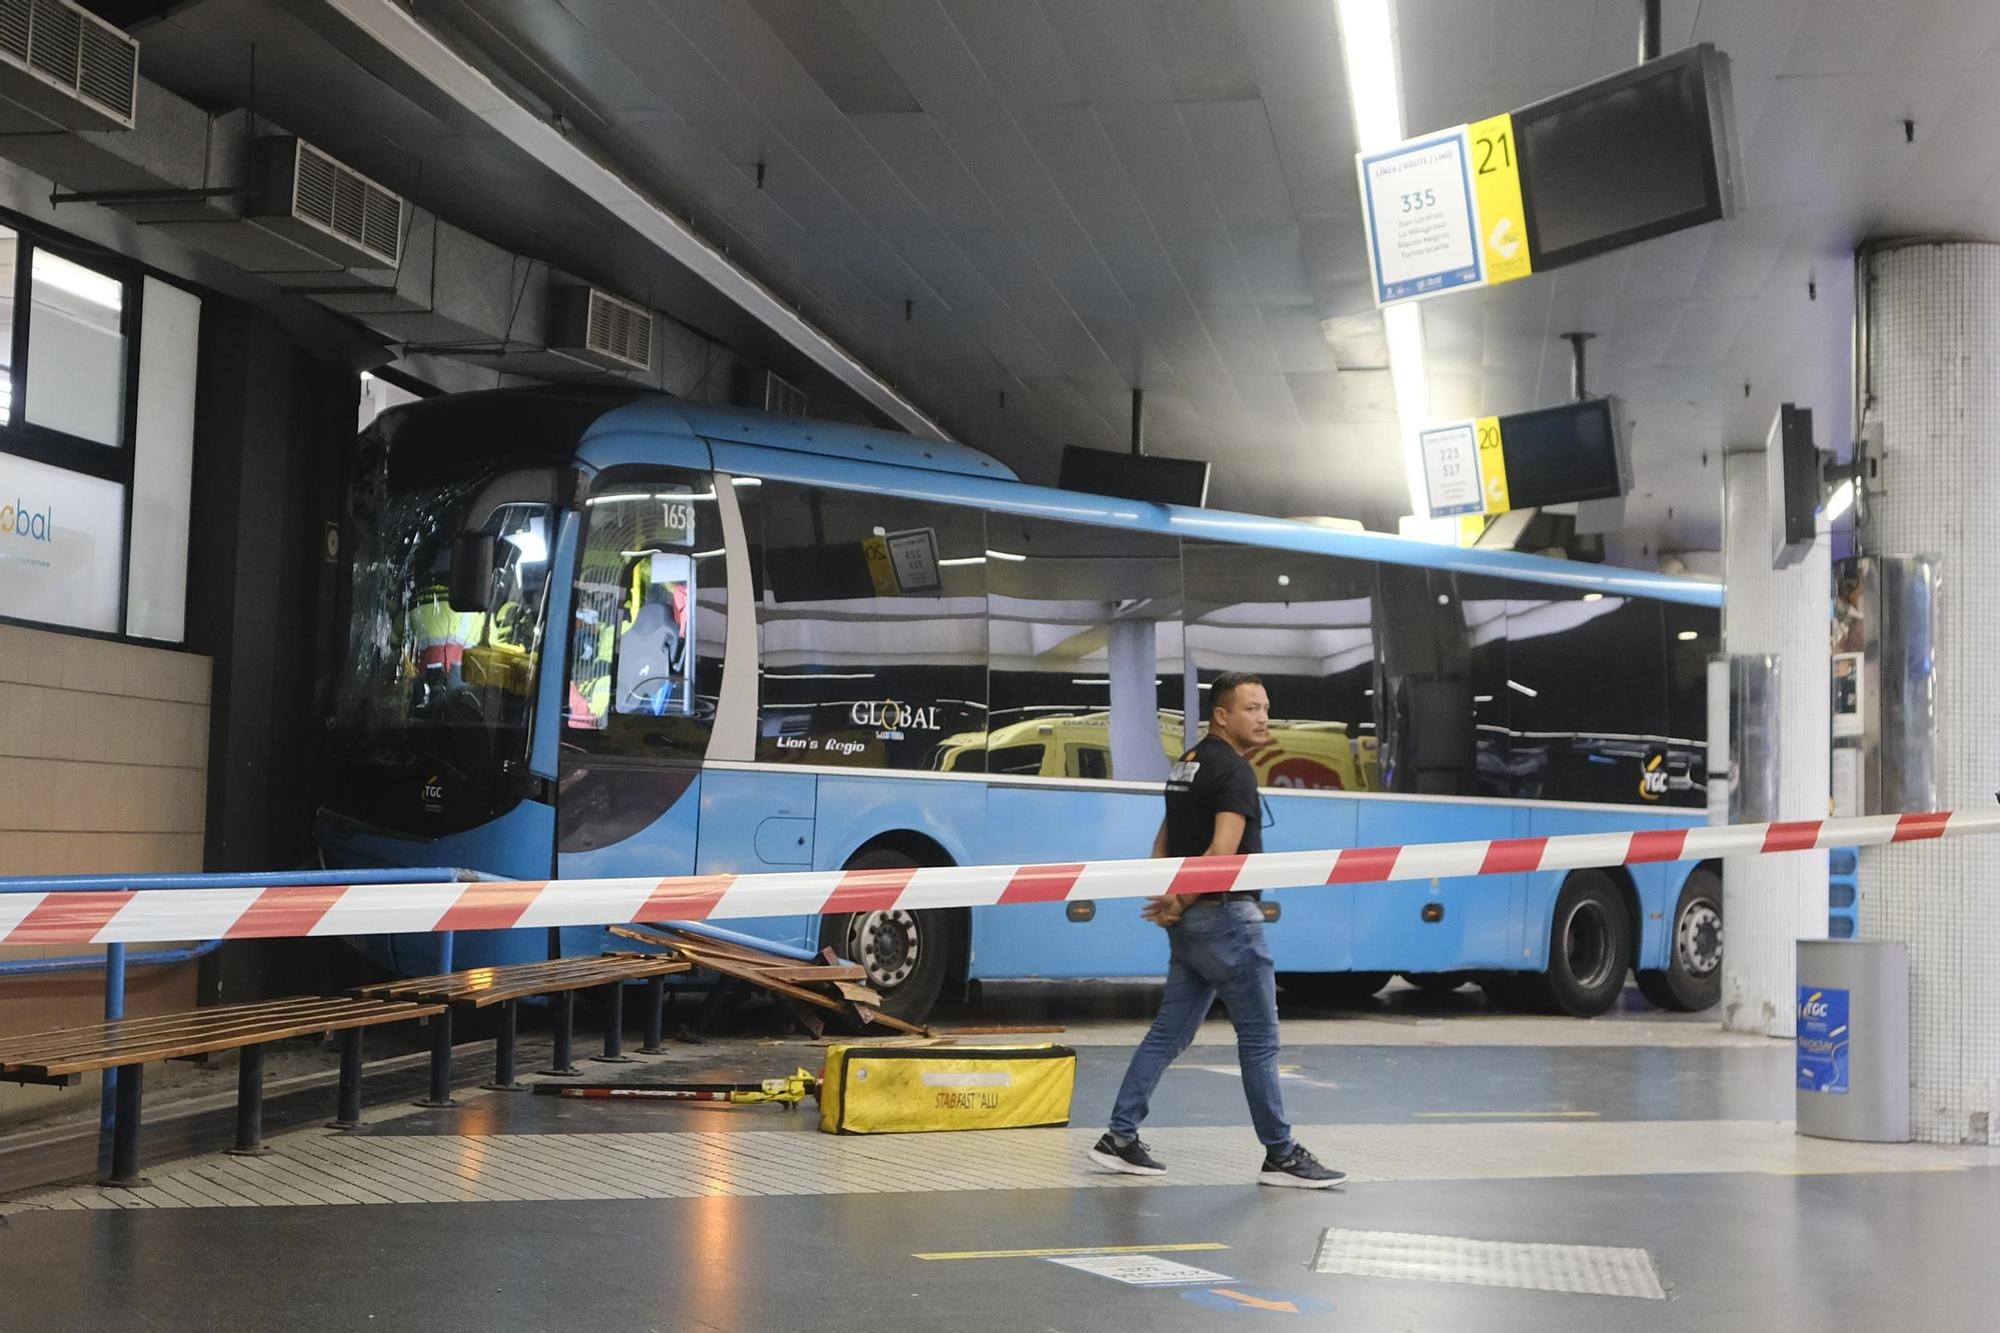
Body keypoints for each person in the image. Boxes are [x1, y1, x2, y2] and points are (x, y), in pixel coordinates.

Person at [1088, 672, 1344, 1189]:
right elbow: (1220, 856)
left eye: (1265, 707)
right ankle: (1282, 1154)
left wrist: (1169, 898)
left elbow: (1164, 839)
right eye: (1251, 708)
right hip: (1227, 918)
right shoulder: (1234, 772)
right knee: (1259, 1039)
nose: (1263, 717)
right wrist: (1179, 898)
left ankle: (1119, 1137)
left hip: (1192, 924)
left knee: (1169, 1033)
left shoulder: (1186, 765)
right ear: (1222, 716)